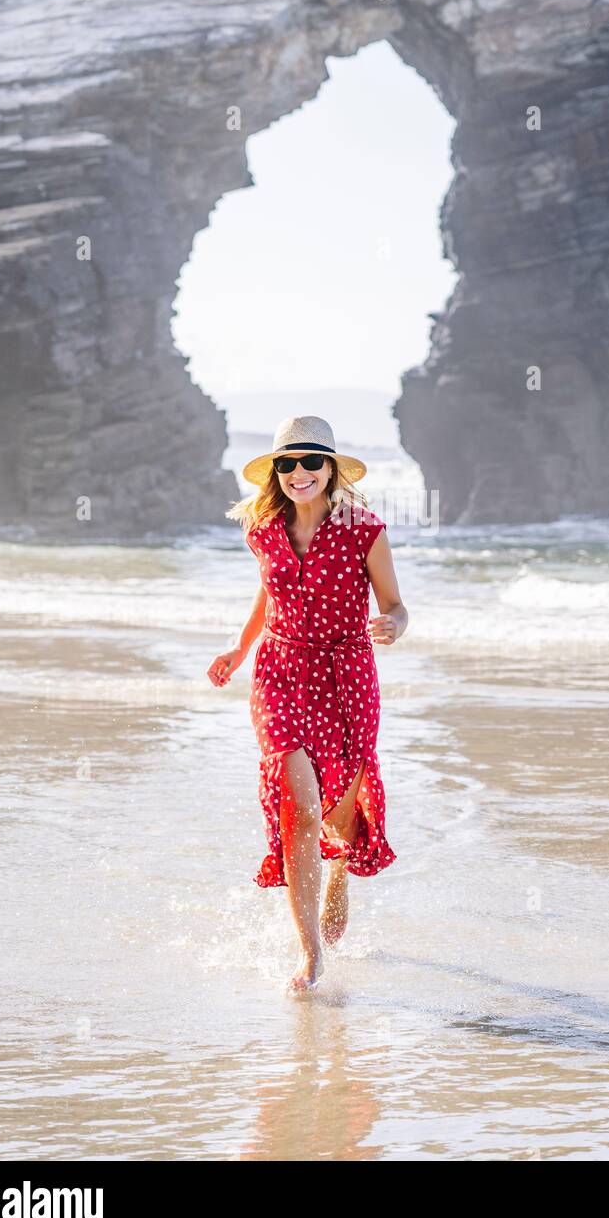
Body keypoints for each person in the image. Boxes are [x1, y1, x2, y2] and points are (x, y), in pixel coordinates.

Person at [208, 416, 408, 992]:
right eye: (287, 464)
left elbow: (396, 604)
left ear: (330, 469)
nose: (299, 473)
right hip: (280, 673)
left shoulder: (363, 530)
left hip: (346, 677)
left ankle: (340, 871)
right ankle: (310, 949)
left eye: (311, 462)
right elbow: (268, 595)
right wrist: (239, 649)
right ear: (275, 473)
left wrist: (391, 625)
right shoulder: (264, 529)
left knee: (338, 813)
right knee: (298, 804)